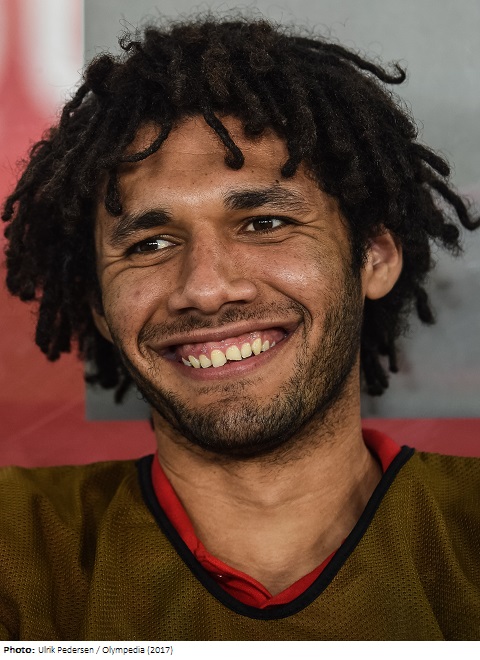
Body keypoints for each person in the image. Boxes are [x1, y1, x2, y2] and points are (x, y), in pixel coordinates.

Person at [1, 15, 479, 641]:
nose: (205, 289)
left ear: (375, 257)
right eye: (150, 243)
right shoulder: (16, 544)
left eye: (264, 224)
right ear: (99, 307)